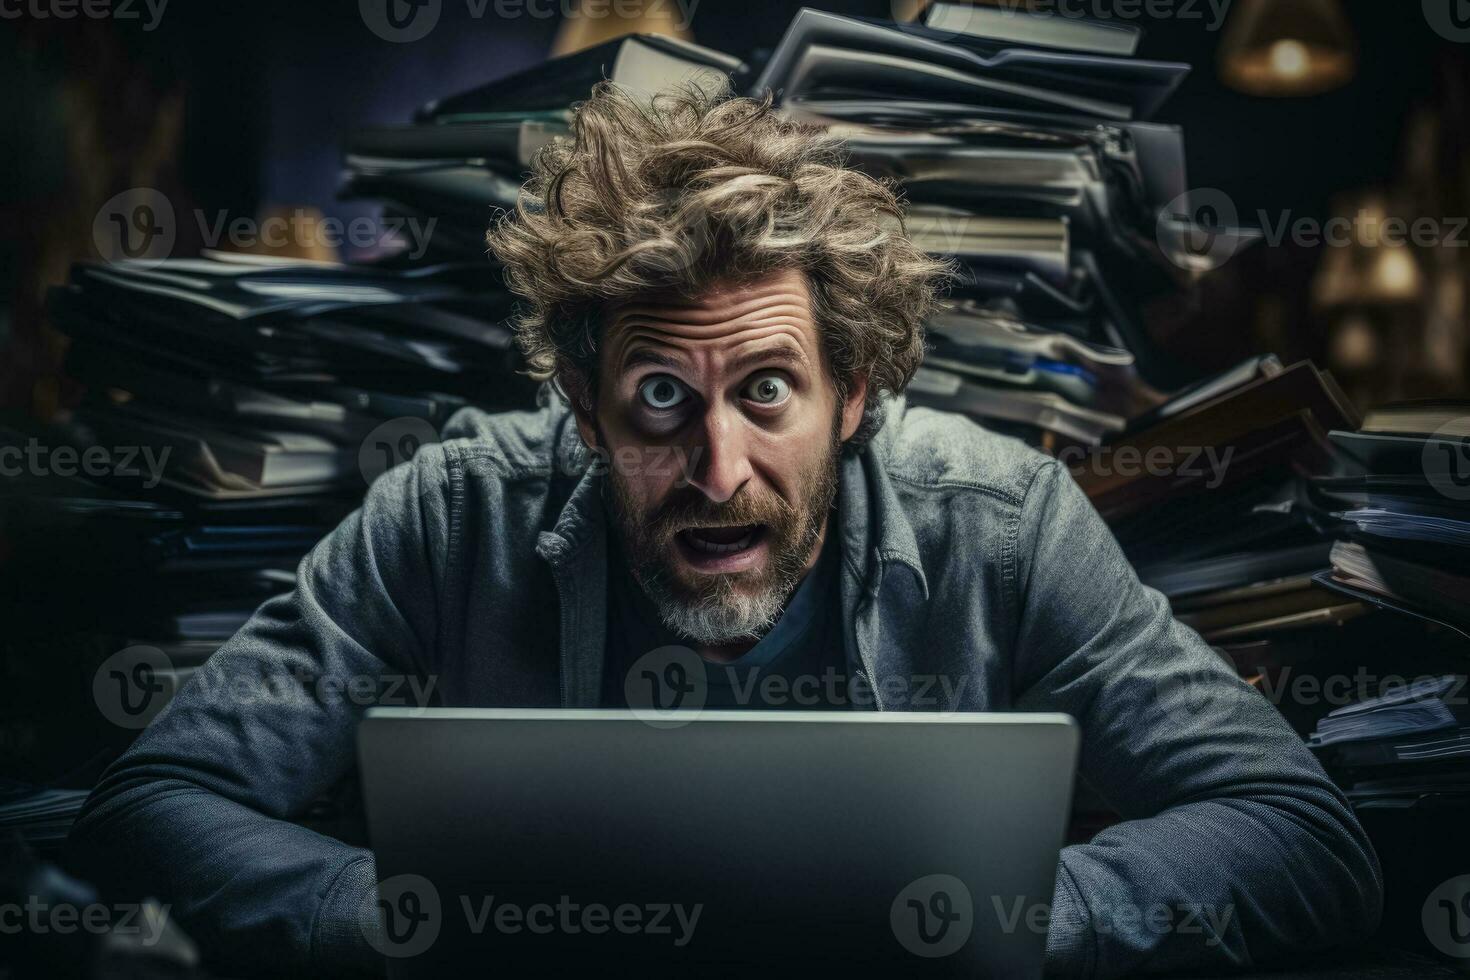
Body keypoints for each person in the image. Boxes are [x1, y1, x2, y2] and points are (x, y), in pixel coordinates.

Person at [69, 82, 1382, 978]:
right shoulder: (449, 511)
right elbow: (154, 803)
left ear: (853, 392)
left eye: (766, 391)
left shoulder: (1003, 519)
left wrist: (1019, 922)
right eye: (657, 399)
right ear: (581, 406)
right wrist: (403, 917)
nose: (716, 466)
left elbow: (1299, 834)